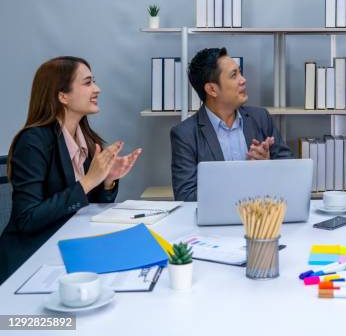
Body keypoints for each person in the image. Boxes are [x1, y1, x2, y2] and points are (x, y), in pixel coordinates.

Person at [0, 56, 142, 285]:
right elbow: (27, 219)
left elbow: (89, 206)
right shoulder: (33, 142)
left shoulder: (85, 138)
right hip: (30, 260)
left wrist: (106, 182)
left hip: (71, 245)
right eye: (87, 83)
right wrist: (88, 181)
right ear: (62, 95)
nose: (97, 89)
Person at [170, 48, 293, 203]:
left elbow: (290, 173)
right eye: (234, 75)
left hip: (261, 219)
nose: (243, 80)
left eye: (240, 72)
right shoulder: (185, 134)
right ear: (212, 89)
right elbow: (186, 197)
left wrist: (267, 165)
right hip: (213, 224)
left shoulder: (261, 118)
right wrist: (243, 180)